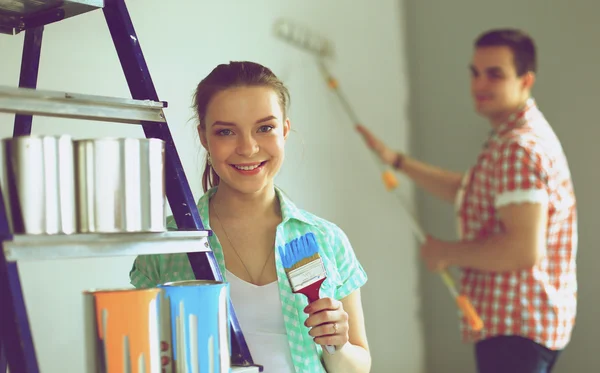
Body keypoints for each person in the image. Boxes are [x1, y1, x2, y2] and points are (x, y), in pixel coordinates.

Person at [357, 28, 577, 373]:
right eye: (475, 73)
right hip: (524, 326)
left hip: (516, 329)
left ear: (525, 80)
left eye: (495, 74)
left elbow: (522, 249)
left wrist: (446, 252)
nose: (479, 84)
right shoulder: (514, 138)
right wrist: (397, 161)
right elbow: (473, 192)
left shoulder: (518, 147)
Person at [129, 61, 371, 373]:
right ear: (204, 137)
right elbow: (140, 358)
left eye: (265, 128)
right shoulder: (168, 243)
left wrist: (336, 345)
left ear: (284, 129)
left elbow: (359, 366)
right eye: (226, 131)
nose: (248, 147)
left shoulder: (327, 239)